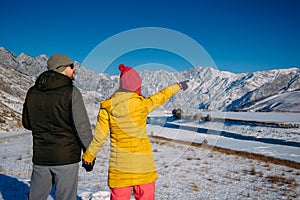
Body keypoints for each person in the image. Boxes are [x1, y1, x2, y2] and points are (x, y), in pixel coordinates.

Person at [81, 64, 189, 200]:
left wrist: (88, 157)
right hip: (144, 168)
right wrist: (178, 85)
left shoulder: (107, 108)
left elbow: (99, 138)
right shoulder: (143, 104)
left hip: (119, 170)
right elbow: (162, 95)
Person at [22, 54, 94, 200]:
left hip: (41, 156)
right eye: (71, 66)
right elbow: (82, 127)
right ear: (62, 68)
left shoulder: (32, 92)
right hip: (66, 158)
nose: (74, 69)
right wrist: (90, 153)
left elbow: (27, 123)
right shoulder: (71, 92)